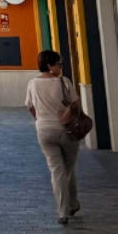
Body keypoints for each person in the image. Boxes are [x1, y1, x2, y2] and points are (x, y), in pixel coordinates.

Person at [26, 50, 81, 225]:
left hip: (44, 130)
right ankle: (68, 207)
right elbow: (76, 105)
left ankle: (67, 208)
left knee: (57, 171)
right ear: (50, 66)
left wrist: (42, 118)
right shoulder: (64, 82)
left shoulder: (32, 84)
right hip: (67, 130)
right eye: (59, 64)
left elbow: (30, 107)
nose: (60, 67)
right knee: (67, 169)